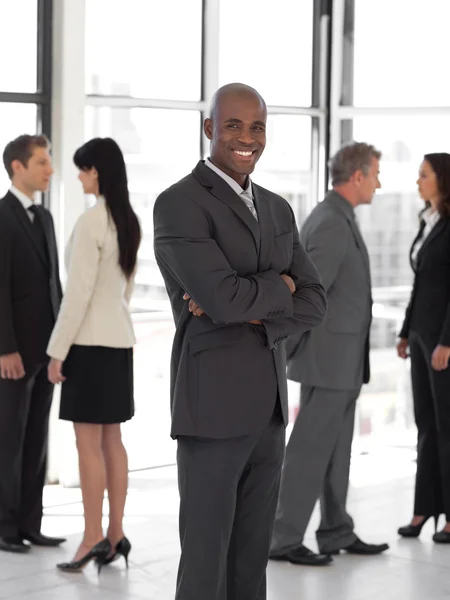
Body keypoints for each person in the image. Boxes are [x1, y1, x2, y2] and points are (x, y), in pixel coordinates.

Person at [153, 83, 326, 600]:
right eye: (233, 125)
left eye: (257, 127)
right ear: (209, 128)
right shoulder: (178, 204)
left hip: (269, 412)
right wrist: (280, 286)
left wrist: (254, 303)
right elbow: (225, 301)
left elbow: (315, 301)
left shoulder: (278, 209)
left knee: (251, 563)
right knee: (207, 561)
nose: (246, 137)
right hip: (211, 410)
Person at [270, 142, 389, 566]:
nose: (379, 181)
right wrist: (298, 351)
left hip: (341, 360)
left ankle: (336, 528)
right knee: (308, 451)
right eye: (375, 173)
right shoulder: (331, 222)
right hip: (327, 360)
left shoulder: (338, 216)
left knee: (336, 450)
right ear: (356, 176)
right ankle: (281, 538)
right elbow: (309, 292)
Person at [47, 137, 141, 572]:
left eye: (83, 169)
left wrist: (56, 352)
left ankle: (91, 537)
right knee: (112, 441)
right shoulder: (128, 220)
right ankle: (116, 533)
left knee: (88, 444)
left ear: (97, 172)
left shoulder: (91, 223)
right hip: (120, 342)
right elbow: (123, 290)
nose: (80, 176)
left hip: (87, 344)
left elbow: (77, 295)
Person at [0, 134, 64, 554]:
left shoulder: (45, 218)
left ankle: (31, 522)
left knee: (37, 439)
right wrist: (5, 348)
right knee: (8, 440)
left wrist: (61, 345)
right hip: (14, 353)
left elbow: (53, 285)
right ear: (17, 167)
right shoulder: (1, 216)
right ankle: (5, 527)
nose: (50, 169)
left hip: (45, 350)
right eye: (42, 162)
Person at [397, 153, 450, 543]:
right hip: (419, 335)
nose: (418, 181)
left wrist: (447, 340)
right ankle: (423, 509)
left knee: (447, 427)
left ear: (443, 181)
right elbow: (420, 284)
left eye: (424, 175)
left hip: (442, 341)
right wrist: (404, 331)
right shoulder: (427, 221)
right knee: (426, 426)